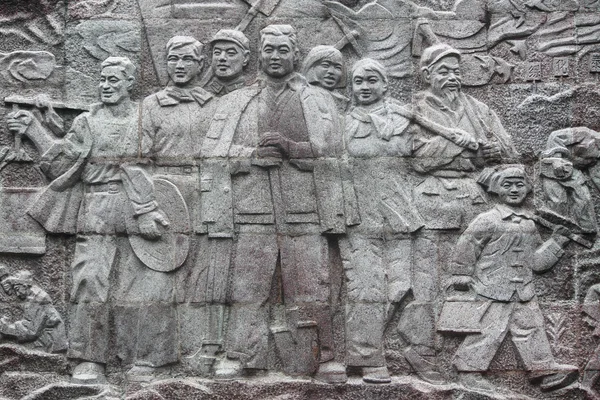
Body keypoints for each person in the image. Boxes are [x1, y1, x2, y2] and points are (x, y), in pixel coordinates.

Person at [204, 24, 347, 383]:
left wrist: (293, 149)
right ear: (260, 54)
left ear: (295, 55)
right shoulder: (237, 100)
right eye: (269, 49)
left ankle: (325, 357)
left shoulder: (318, 99)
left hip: (306, 207)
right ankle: (240, 354)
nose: (276, 56)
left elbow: (335, 152)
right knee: (248, 287)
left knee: (313, 285)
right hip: (252, 209)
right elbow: (210, 152)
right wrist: (250, 156)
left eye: (283, 50)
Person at [20, 57, 174, 382]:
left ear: (130, 83)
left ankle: (141, 361)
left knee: (140, 283)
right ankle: (89, 360)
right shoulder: (86, 122)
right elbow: (63, 165)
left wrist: (147, 208)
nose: (105, 86)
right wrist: (36, 130)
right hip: (96, 204)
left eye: (114, 80)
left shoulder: (146, 119)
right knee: (90, 279)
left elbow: (153, 166)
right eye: (102, 80)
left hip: (137, 205)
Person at [443, 165, 578, 393]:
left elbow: (536, 263)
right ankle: (469, 372)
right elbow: (466, 245)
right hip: (492, 289)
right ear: (496, 189)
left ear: (527, 188)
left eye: (520, 184)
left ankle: (544, 372)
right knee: (487, 331)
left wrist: (557, 242)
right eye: (507, 185)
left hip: (523, 291)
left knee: (532, 328)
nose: (514, 189)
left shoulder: (529, 223)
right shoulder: (487, 220)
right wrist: (461, 274)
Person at [141, 36, 232, 369]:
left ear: (200, 65)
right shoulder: (150, 105)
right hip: (165, 193)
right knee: (160, 280)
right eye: (173, 59)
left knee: (205, 277)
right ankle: (153, 356)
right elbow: (137, 161)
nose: (179, 66)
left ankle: (201, 353)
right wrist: (145, 208)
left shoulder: (216, 105)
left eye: (186, 60)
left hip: (208, 194)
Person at [0, 270, 67, 353]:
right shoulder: (34, 297)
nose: (17, 294)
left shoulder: (38, 299)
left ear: (25, 285)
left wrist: (6, 328)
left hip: (51, 345)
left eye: (17, 289)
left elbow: (31, 331)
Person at [204, 29, 251, 96]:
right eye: (217, 52)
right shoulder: (201, 94)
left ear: (245, 58)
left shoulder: (252, 95)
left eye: (230, 53)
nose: (222, 58)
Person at [301, 45, 349, 111]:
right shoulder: (304, 95)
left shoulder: (345, 102)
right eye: (325, 65)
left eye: (337, 67)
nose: (331, 72)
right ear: (312, 66)